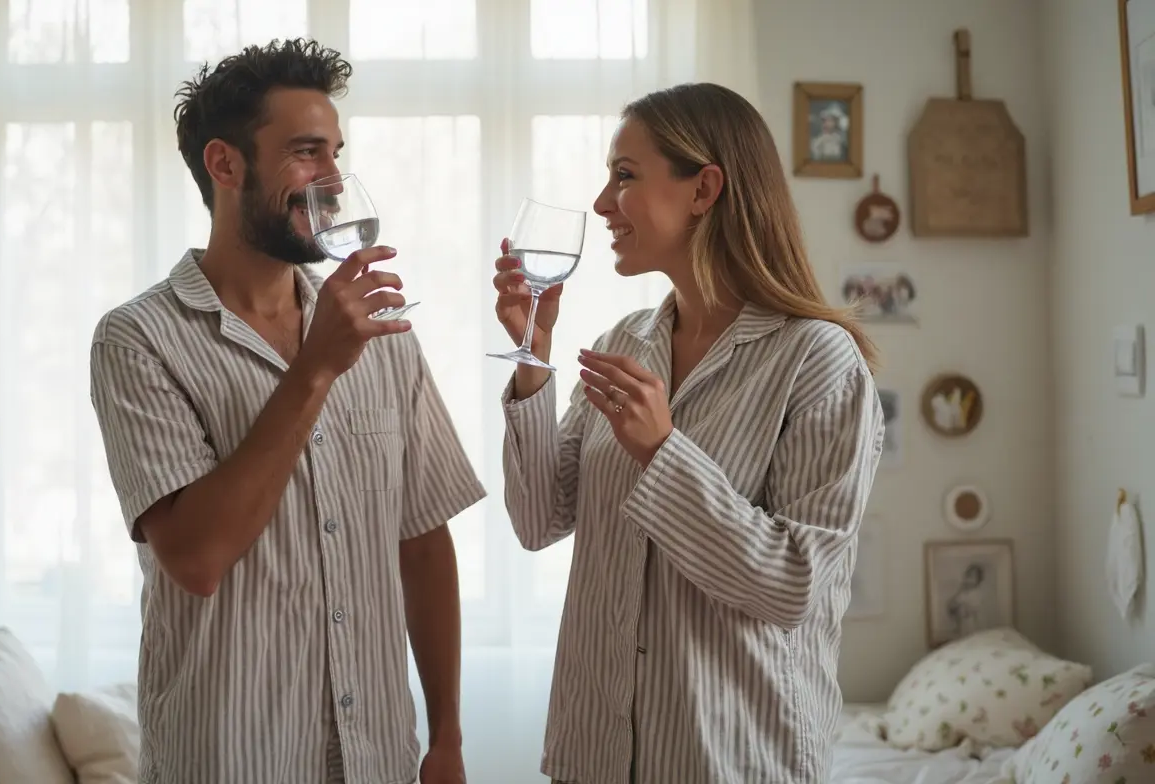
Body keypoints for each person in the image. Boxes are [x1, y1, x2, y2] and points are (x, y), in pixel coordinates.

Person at [90, 38, 485, 784]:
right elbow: (197, 559)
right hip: (232, 758)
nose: (333, 178)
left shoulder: (385, 334)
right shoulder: (137, 340)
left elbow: (424, 542)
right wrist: (315, 369)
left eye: (336, 153)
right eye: (307, 153)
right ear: (224, 164)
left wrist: (447, 738)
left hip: (379, 758)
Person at [493, 82, 885, 784]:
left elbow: (793, 586)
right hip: (596, 753)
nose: (602, 203)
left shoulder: (817, 360)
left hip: (728, 759)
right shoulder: (627, 342)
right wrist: (532, 358)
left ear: (703, 189)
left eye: (624, 176)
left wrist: (662, 453)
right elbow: (536, 519)